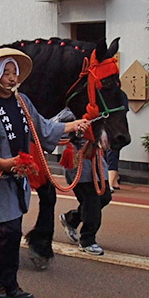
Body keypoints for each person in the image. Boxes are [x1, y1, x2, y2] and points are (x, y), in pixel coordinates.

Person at [0, 49, 90, 298]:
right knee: (7, 230)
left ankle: (9, 284)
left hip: (18, 175)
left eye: (14, 73)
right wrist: (2, 162)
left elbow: (42, 128)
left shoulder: (23, 102)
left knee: (13, 232)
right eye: (6, 74)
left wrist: (73, 125)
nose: (12, 78)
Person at [57, 108, 113, 256]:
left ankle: (72, 219)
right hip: (79, 157)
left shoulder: (100, 108)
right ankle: (88, 240)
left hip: (96, 158)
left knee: (105, 196)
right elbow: (60, 129)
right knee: (91, 200)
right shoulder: (69, 112)